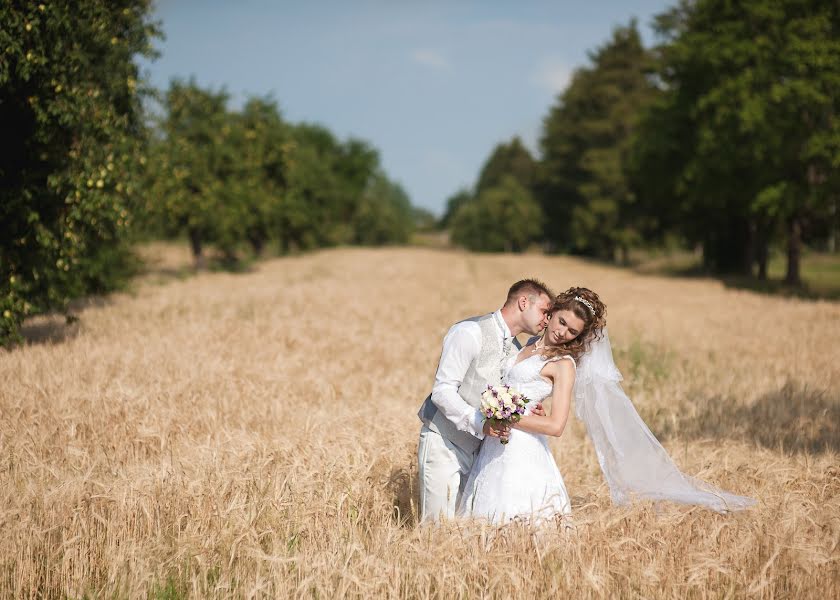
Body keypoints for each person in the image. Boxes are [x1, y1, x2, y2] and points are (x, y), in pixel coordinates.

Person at [459, 287, 605, 524]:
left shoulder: (563, 364)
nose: (562, 332)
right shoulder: (529, 343)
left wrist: (506, 415)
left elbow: (556, 426)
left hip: (522, 446)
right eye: (561, 321)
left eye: (572, 331)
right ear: (553, 312)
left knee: (515, 515)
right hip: (495, 440)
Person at [417, 279, 554, 523]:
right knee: (436, 528)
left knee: (464, 526)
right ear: (524, 302)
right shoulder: (469, 331)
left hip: (482, 453)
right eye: (545, 311)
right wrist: (479, 422)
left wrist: (529, 409)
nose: (547, 320)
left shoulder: (517, 351)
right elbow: (442, 391)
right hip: (444, 442)